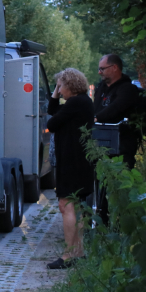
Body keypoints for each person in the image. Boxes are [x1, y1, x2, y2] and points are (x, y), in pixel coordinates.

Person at [46, 68, 95, 270]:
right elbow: (52, 110)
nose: (59, 90)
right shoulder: (83, 102)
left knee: (66, 205)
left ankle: (68, 255)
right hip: (80, 161)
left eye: (61, 86)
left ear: (70, 86)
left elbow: (51, 123)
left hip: (72, 161)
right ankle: (78, 251)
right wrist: (56, 90)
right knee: (77, 206)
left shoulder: (75, 103)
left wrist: (56, 91)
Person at [94, 54, 141, 168]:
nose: (99, 72)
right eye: (99, 69)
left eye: (102, 69)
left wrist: (96, 118)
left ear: (114, 67)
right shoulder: (101, 88)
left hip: (121, 145)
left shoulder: (127, 89)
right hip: (100, 142)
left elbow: (116, 107)